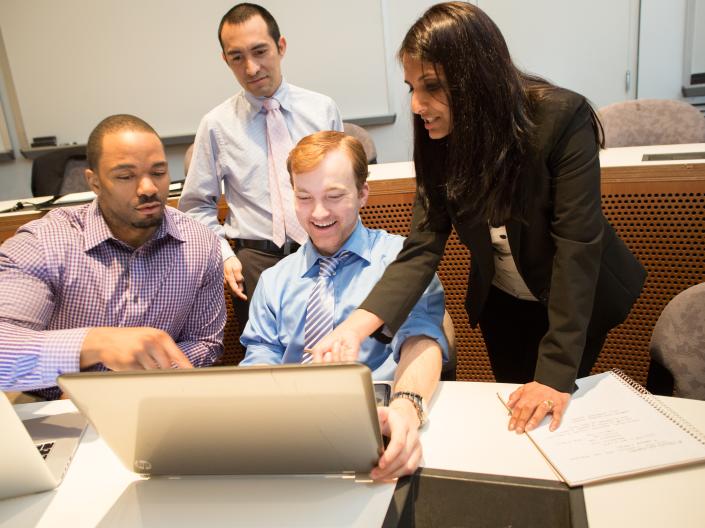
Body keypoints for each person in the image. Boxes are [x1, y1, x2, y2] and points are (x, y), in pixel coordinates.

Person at [311, 2, 646, 435]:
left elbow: (577, 247)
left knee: (553, 408)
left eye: (431, 87)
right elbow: (422, 247)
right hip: (503, 301)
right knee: (516, 412)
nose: (417, 105)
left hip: (573, 296)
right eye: (411, 87)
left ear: (476, 79)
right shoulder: (437, 139)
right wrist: (356, 327)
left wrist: (554, 374)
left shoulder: (561, 119)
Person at [240, 131, 448, 480]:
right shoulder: (275, 280)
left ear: (363, 193)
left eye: (334, 196)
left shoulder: (402, 264)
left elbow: (421, 341)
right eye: (304, 197)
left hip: (378, 424)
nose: (318, 212)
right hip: (290, 434)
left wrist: (406, 407)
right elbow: (261, 358)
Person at [0, 114, 226, 399]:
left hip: (156, 399)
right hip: (55, 406)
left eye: (158, 173)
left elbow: (205, 342)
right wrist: (95, 344)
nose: (148, 189)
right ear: (94, 182)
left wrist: (131, 382)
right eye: (125, 176)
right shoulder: (44, 242)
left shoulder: (200, 243)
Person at [178, 3, 343, 327]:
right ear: (226, 60)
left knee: (334, 355)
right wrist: (224, 253)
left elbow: (344, 188)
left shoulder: (322, 109)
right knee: (268, 367)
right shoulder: (216, 125)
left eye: (260, 51)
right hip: (255, 262)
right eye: (237, 57)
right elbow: (195, 205)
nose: (251, 68)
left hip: (326, 252)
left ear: (280, 47)